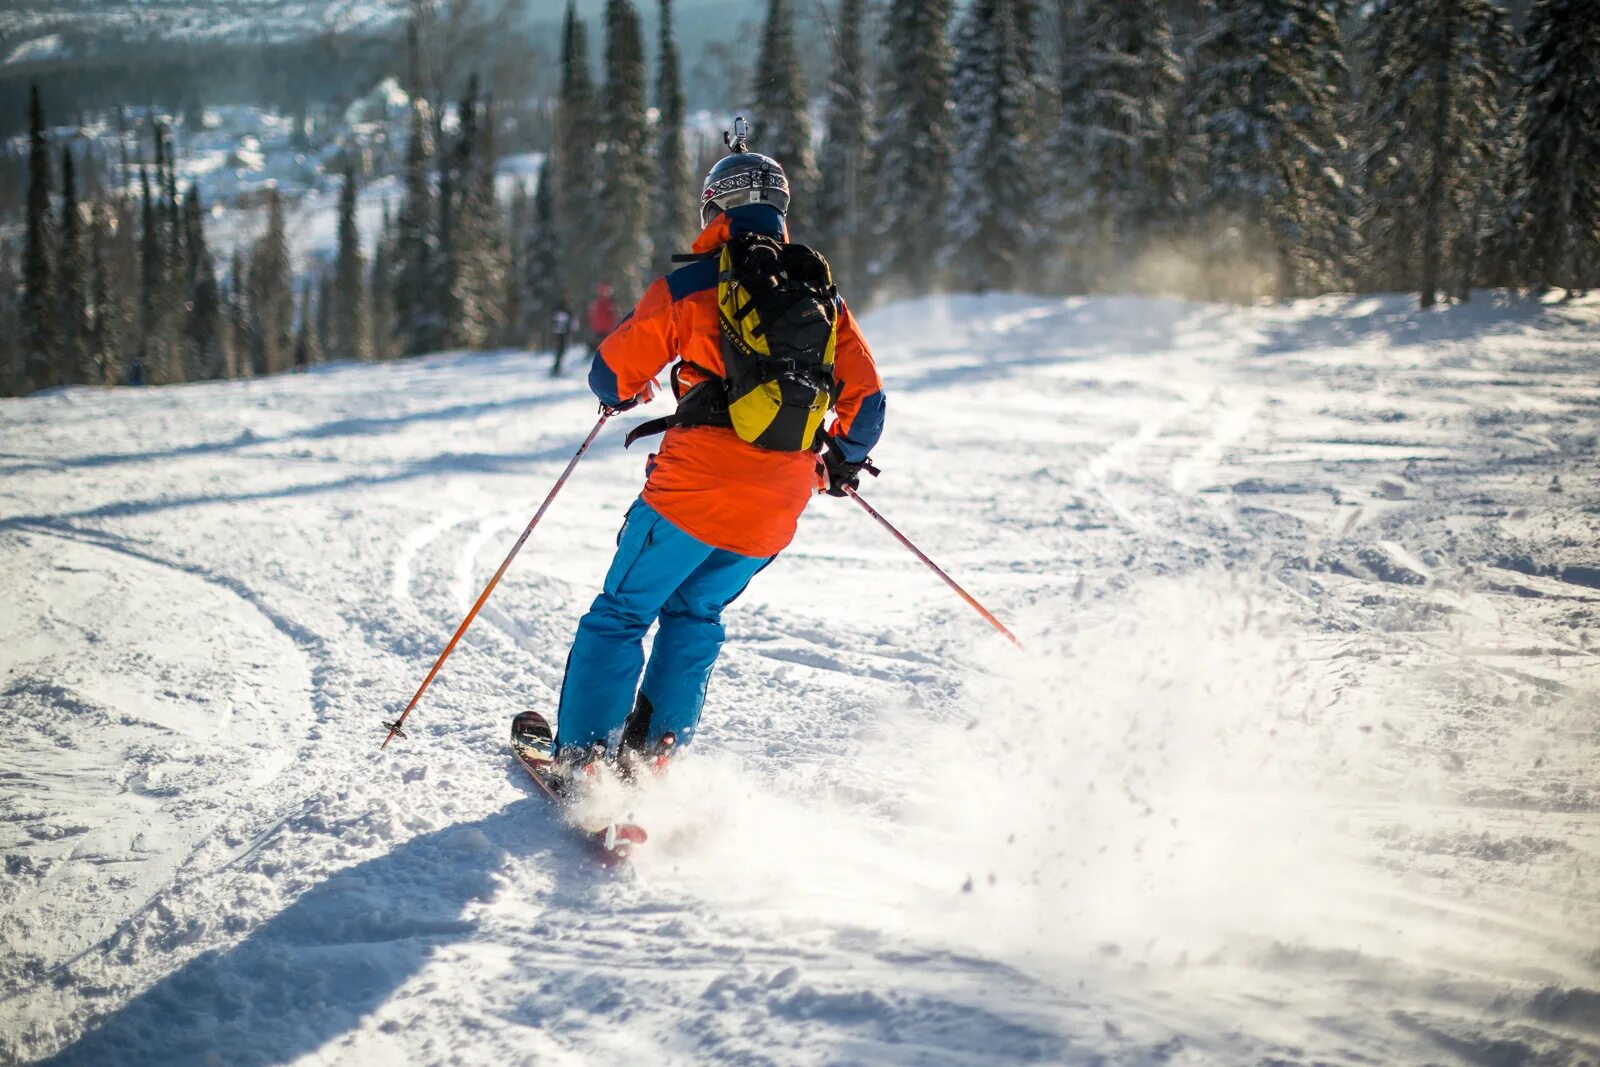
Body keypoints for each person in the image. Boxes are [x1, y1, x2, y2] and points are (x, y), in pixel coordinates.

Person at [550, 139, 887, 776]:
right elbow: (867, 404)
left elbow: (610, 374)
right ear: (781, 211)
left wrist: (625, 393)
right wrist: (836, 462)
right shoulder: (824, 300)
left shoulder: (690, 286)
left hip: (690, 492)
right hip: (775, 509)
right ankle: (655, 760)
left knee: (621, 614)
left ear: (714, 210)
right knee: (696, 612)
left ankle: (586, 762)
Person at [586, 282, 617, 350]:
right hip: (598, 330)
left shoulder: (611, 303)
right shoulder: (597, 302)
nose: (605, 293)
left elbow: (615, 316)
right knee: (598, 349)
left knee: (605, 349)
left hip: (606, 330)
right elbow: (591, 315)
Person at [550, 295, 574, 377]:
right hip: (559, 331)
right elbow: (554, 316)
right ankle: (556, 368)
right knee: (559, 350)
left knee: (563, 350)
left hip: (565, 332)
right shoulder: (559, 305)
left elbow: (571, 317)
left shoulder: (569, 305)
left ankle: (558, 367)